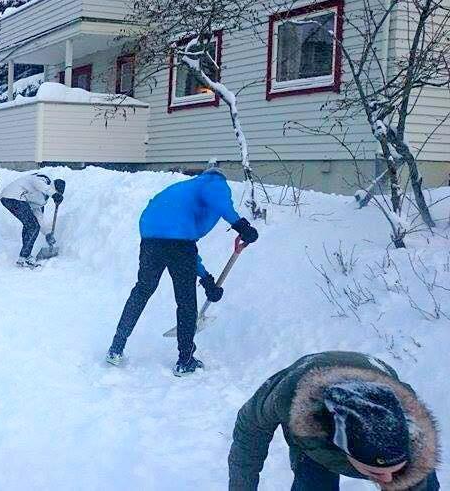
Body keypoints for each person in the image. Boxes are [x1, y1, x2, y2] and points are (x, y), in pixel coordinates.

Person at [106, 166, 258, 375]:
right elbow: (184, 243)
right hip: (177, 241)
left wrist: (206, 279)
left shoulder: (185, 190)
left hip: (151, 237)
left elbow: (184, 246)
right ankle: (185, 360)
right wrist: (242, 226)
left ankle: (116, 347)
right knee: (186, 300)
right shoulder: (214, 182)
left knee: (142, 290)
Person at [228, 351, 439, 491]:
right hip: (311, 396)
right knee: (314, 481)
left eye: (394, 469)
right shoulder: (289, 399)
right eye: (375, 472)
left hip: (373, 375)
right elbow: (249, 435)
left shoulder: (415, 436)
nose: (386, 480)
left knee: (414, 482)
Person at [0, 173, 65, 268]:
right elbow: (36, 182)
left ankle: (25, 256)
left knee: (30, 225)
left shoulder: (42, 198)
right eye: (56, 192)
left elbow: (38, 216)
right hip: (13, 196)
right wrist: (53, 194)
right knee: (33, 226)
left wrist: (47, 233)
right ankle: (24, 257)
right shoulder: (45, 180)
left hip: (14, 199)